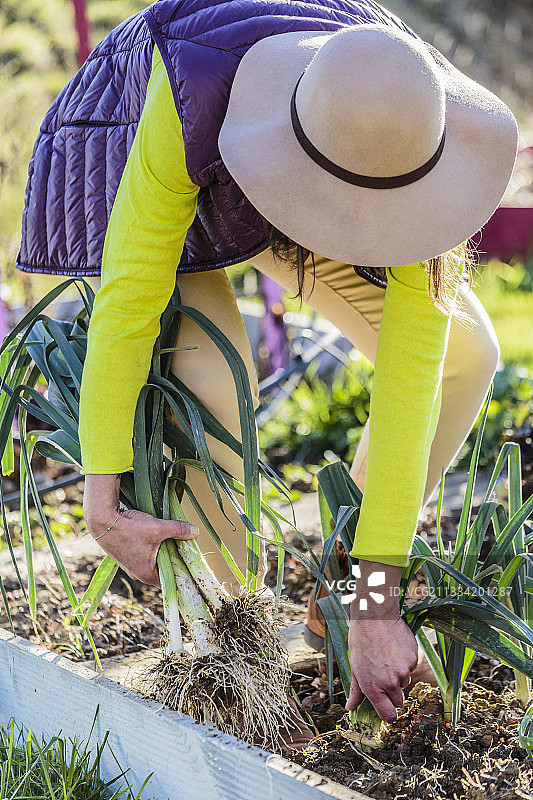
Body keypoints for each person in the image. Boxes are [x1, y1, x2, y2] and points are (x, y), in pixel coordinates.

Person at [18, 0, 517, 742]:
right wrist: (100, 501)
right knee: (215, 381)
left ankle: (337, 595)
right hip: (155, 144)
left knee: (466, 354)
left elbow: (414, 371)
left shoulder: (399, 121)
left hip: (309, 160)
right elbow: (128, 302)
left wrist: (373, 596)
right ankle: (233, 660)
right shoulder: (189, 93)